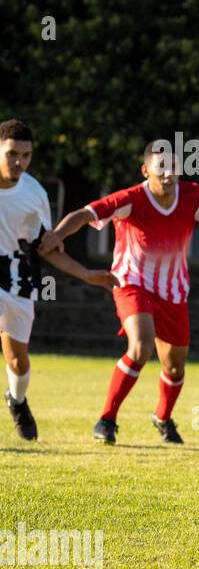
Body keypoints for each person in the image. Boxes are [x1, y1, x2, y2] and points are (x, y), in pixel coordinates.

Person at [39, 139, 199, 444]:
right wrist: (57, 234)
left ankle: (163, 418)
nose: (169, 174)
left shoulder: (193, 196)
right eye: (162, 168)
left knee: (174, 365)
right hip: (131, 283)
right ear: (146, 171)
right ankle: (107, 419)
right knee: (141, 347)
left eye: (174, 167)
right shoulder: (131, 199)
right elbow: (84, 215)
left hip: (173, 290)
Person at [1, 119, 116, 440]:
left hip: (17, 278)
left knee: (17, 361)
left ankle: (17, 400)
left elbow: (46, 247)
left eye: (25, 155)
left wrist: (86, 274)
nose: (19, 162)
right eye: (12, 154)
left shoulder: (34, 193)